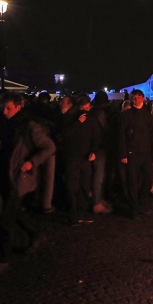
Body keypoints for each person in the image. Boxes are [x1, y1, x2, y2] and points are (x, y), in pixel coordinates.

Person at [0, 92, 55, 277]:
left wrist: (31, 162)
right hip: (6, 174)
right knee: (14, 212)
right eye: (3, 107)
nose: (5, 110)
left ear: (19, 106)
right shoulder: (8, 122)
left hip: (20, 177)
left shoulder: (29, 125)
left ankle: (1, 261)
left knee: (6, 221)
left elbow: (49, 147)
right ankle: (35, 234)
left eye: (8, 107)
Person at [59, 95, 99, 225]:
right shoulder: (69, 118)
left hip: (85, 157)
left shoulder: (91, 119)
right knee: (72, 186)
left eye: (87, 107)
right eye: (83, 107)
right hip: (72, 157)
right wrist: (77, 123)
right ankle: (73, 214)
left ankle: (81, 211)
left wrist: (94, 151)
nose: (85, 110)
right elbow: (63, 135)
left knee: (85, 186)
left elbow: (95, 137)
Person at [119, 89, 153, 219]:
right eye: (134, 98)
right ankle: (134, 209)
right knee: (132, 182)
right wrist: (123, 154)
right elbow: (122, 136)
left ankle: (141, 204)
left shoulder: (147, 115)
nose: (136, 100)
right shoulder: (125, 115)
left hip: (145, 153)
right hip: (132, 153)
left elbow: (152, 135)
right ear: (131, 99)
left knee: (149, 180)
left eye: (139, 97)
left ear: (143, 98)